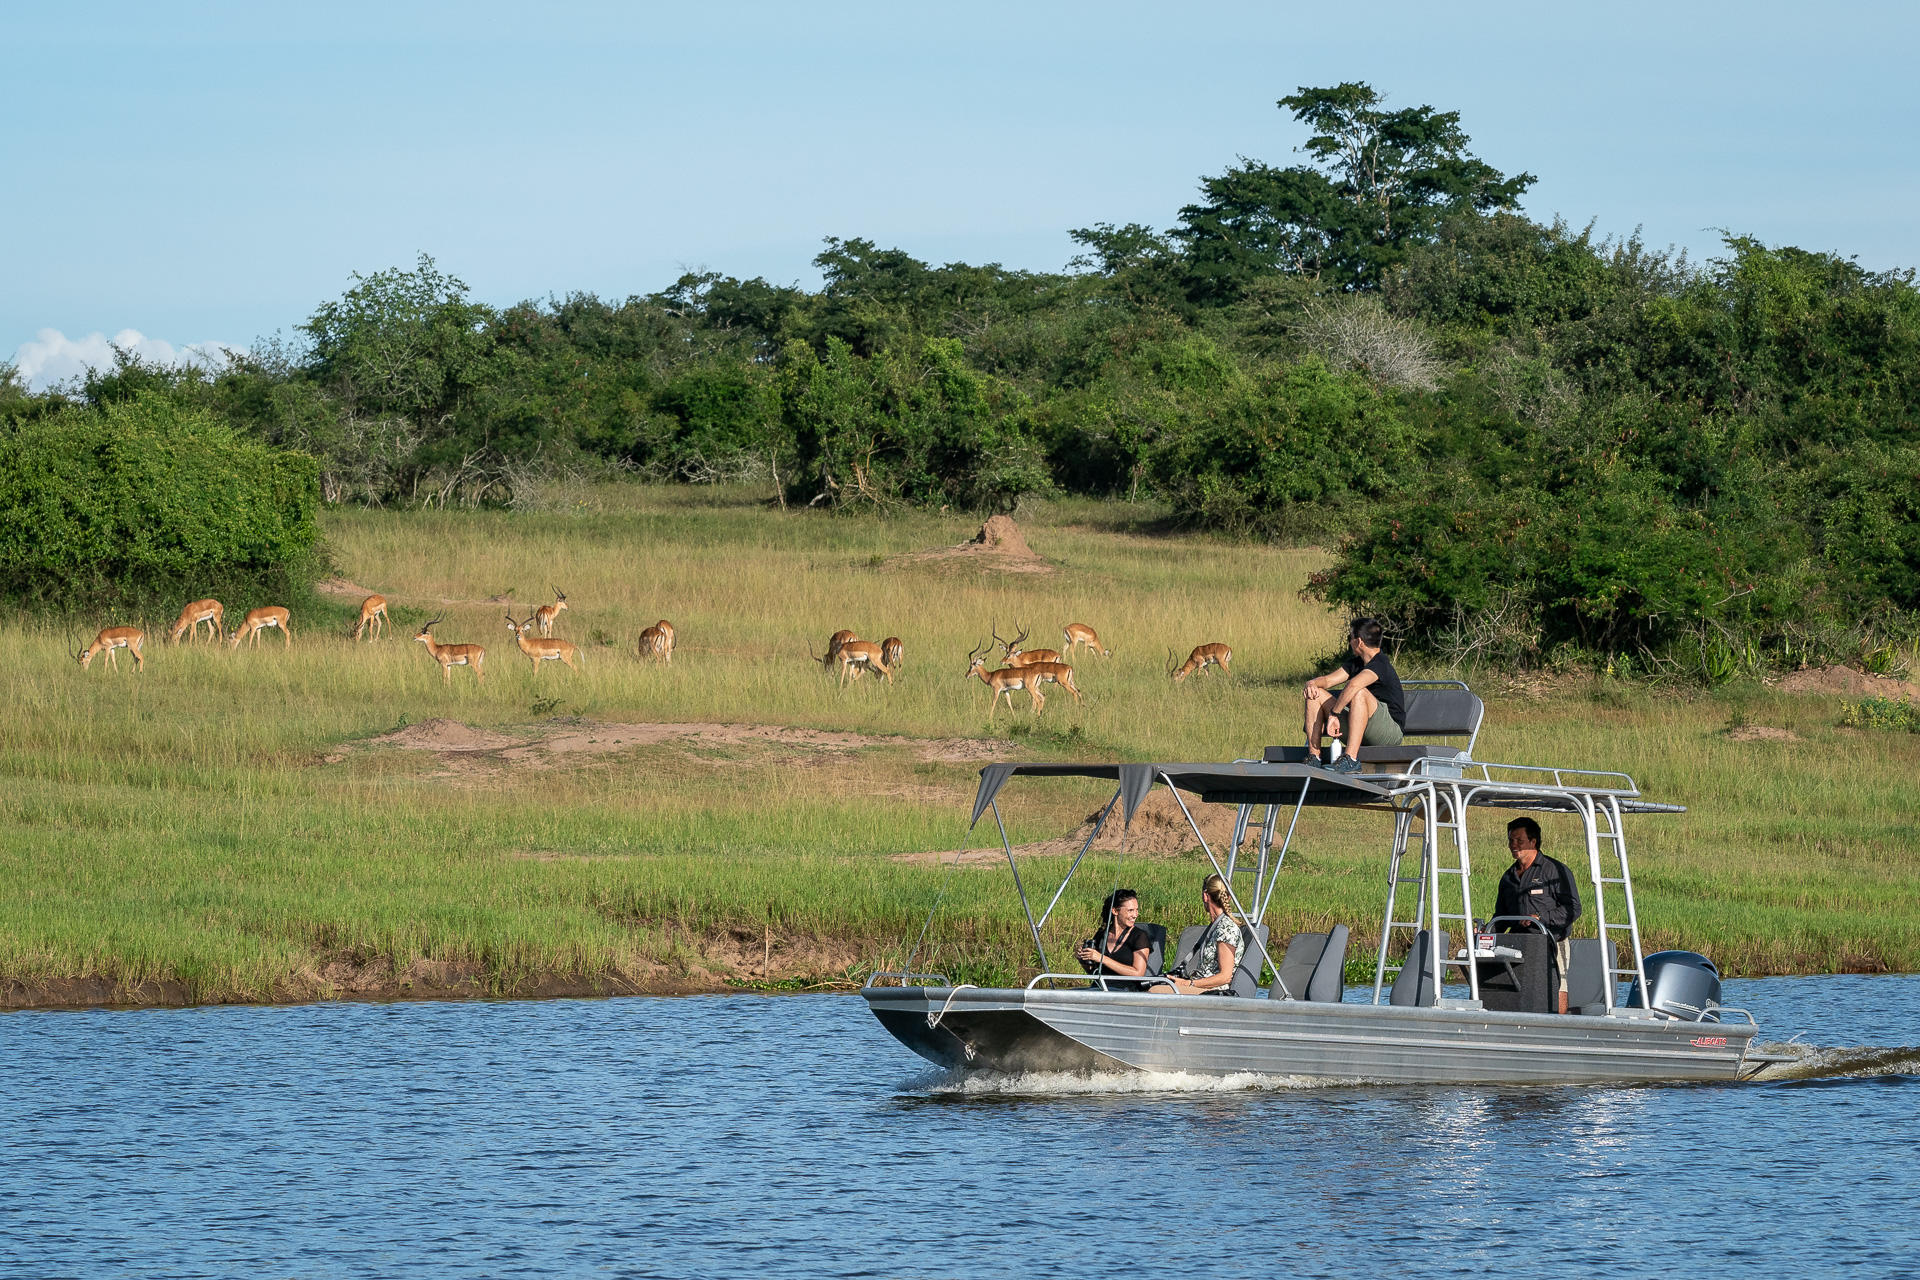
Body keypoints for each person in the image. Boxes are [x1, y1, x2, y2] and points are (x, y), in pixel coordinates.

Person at [1493, 817, 1583, 1014]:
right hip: (1518, 945)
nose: (1513, 846)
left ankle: (1558, 1027)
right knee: (1522, 990)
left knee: (1558, 985)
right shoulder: (1508, 877)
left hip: (1553, 942)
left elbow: (1573, 909)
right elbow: (1501, 915)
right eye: (1510, 840)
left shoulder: (1555, 871)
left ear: (1533, 842)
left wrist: (1539, 918)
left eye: (1519, 840)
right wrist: (1487, 930)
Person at [1303, 617, 1406, 775]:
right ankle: (1314, 757)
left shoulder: (1380, 664)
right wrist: (1311, 684)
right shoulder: (1356, 663)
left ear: (1359, 641)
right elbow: (1328, 680)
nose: (1349, 642)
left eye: (1349, 638)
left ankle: (1350, 759)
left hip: (1388, 732)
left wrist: (1333, 713)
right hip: (1359, 725)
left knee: (1359, 692)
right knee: (1314, 695)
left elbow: (1354, 685)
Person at [1153, 874, 1242, 995]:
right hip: (1200, 987)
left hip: (1213, 992)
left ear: (1205, 896)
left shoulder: (1226, 928)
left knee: (1155, 991)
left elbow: (1225, 977)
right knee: (1155, 984)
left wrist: (1188, 984)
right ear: (1229, 897)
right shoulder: (1215, 926)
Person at [1075, 888, 1153, 990]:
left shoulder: (1139, 936)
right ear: (1115, 911)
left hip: (1125, 992)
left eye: (1136, 910)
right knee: (1066, 995)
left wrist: (1102, 958)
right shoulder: (1102, 934)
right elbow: (1093, 972)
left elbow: (1138, 973)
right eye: (1130, 910)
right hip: (1099, 988)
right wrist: (1082, 959)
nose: (1135, 915)